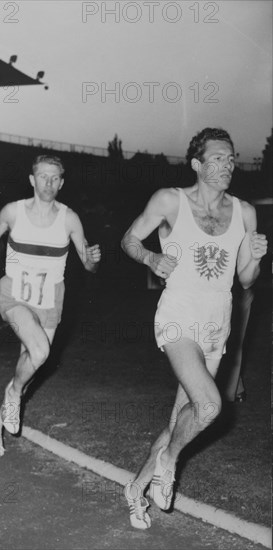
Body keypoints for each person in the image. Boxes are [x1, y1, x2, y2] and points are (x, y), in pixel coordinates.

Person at [121, 128, 267, 529]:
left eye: (231, 159)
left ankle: (136, 489)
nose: (227, 166)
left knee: (180, 421)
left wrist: (255, 259)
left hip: (217, 323)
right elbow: (129, 239)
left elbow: (246, 279)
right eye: (217, 159)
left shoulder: (245, 213)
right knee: (209, 406)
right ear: (198, 164)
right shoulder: (170, 200)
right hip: (178, 316)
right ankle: (168, 464)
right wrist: (151, 259)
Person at [0, 155, 101, 458]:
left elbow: (87, 265)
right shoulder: (14, 211)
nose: (48, 182)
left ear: (61, 183)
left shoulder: (70, 218)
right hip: (15, 294)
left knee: (32, 362)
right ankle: (14, 393)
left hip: (50, 299)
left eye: (54, 178)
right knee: (40, 352)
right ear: (32, 180)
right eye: (42, 176)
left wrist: (92, 260)